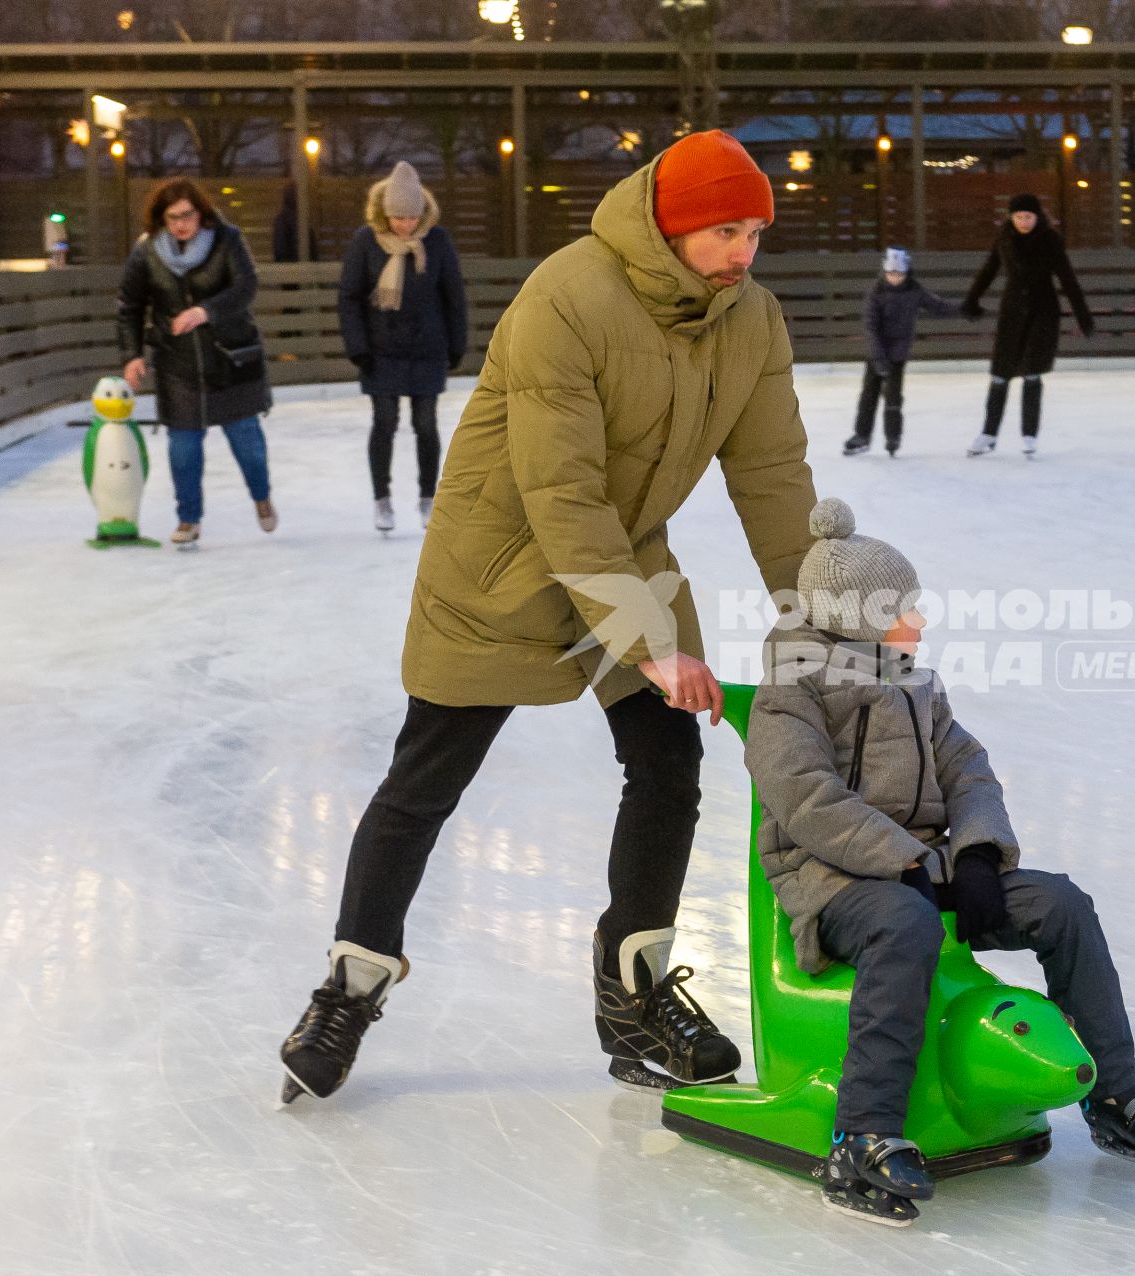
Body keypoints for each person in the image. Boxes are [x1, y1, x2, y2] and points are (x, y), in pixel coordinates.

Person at [278, 130, 819, 1104]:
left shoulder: (751, 322)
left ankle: (635, 993)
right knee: (425, 778)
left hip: (625, 549)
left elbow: (773, 476)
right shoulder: (566, 297)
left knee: (666, 763)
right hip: (501, 559)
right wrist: (652, 644)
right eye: (722, 230)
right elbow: (560, 492)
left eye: (754, 232)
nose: (743, 250)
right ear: (669, 225)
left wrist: (830, 614)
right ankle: (350, 985)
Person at [744, 498, 1135, 1226]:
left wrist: (976, 855)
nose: (918, 622)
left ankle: (1114, 1092)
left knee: (1062, 903)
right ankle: (864, 1132)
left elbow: (968, 769)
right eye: (903, 608)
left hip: (926, 867)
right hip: (833, 879)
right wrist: (904, 861)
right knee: (906, 925)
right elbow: (806, 800)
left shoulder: (916, 682)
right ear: (857, 614)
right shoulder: (789, 691)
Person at [116, 178, 275, 545]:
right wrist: (132, 355)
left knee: (247, 443)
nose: (180, 224)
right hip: (178, 364)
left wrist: (207, 310)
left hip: (230, 359)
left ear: (200, 212)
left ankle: (261, 496)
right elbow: (130, 305)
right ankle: (188, 518)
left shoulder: (227, 239)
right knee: (183, 447)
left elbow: (246, 286)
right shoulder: (147, 252)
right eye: (171, 218)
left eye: (186, 215)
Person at [338, 161, 469, 533]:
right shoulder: (366, 242)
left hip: (427, 348)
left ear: (422, 213)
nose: (404, 225)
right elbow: (349, 296)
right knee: (385, 422)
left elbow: (453, 297)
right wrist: (358, 347)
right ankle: (382, 499)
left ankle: (428, 497)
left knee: (426, 424)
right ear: (384, 213)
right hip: (380, 350)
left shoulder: (438, 241)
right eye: (397, 218)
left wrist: (456, 344)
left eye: (411, 218)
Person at [959, 193, 1093, 459]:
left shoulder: (1050, 240)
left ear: (1037, 216)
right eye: (1018, 216)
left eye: (1028, 216)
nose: (1023, 221)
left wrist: (1082, 315)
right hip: (1011, 314)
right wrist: (972, 300)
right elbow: (989, 270)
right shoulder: (1004, 239)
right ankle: (989, 433)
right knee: (1000, 373)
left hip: (1042, 314)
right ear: (1011, 217)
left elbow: (1067, 277)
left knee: (1032, 373)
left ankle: (1029, 435)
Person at [845, 246, 961, 458]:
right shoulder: (876, 293)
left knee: (893, 398)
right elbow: (870, 327)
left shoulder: (914, 290)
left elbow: (937, 306)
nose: (894, 278)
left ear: (906, 273)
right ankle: (861, 435)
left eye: (899, 274)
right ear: (884, 272)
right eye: (891, 273)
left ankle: (893, 436)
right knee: (869, 396)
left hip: (897, 355)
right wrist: (878, 357)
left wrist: (964, 308)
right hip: (876, 354)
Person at [271, 184, 316, 263]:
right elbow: (313, 251)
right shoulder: (302, 220)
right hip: (300, 269)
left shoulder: (282, 220)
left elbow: (279, 251)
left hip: (290, 270)